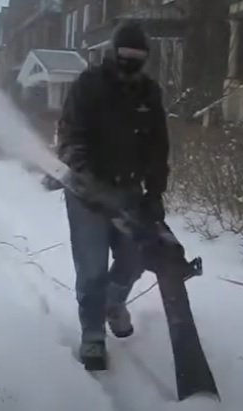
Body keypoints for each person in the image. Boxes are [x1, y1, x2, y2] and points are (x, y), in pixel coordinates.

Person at [56, 21, 170, 369]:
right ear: (113, 53)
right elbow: (69, 135)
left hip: (129, 190)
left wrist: (155, 191)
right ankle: (92, 335)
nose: (130, 64)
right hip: (85, 191)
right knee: (92, 268)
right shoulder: (89, 85)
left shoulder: (149, 93)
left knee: (135, 257)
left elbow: (157, 146)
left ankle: (112, 303)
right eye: (125, 56)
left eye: (138, 58)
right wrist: (86, 177)